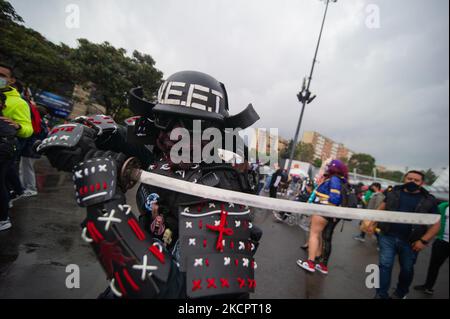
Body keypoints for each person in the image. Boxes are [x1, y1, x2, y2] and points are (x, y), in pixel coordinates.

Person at [37, 70, 262, 299]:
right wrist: (86, 132)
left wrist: (106, 205)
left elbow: (176, 292)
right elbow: (119, 135)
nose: (175, 134)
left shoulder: (225, 191)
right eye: (166, 119)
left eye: (194, 124)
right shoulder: (161, 149)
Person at [375, 170, 441, 299]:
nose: (412, 182)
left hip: (411, 242)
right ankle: (381, 295)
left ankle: (401, 292)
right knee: (384, 266)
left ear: (422, 183)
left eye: (416, 180)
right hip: (387, 236)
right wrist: (370, 223)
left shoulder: (429, 200)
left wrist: (423, 241)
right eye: (409, 178)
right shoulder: (393, 193)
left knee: (407, 269)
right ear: (404, 179)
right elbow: (379, 210)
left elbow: (436, 224)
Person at [296, 159, 349, 275]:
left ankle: (310, 262)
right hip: (328, 212)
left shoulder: (334, 179)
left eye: (329, 166)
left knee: (314, 235)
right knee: (322, 237)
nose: (327, 168)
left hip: (323, 211)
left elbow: (334, 198)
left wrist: (325, 207)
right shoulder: (339, 180)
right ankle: (321, 264)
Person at [0, 63, 33, 216]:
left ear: (11, 80)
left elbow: (28, 130)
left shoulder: (19, 103)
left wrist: (17, 126)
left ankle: (4, 216)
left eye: (2, 76)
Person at [414, 201, 449, 296]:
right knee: (434, 266)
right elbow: (434, 223)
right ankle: (428, 287)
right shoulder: (443, 207)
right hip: (442, 242)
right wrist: (426, 239)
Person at [0, 92, 19, 231]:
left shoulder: (5, 122)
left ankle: (3, 219)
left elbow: (27, 129)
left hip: (5, 148)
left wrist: (18, 126)